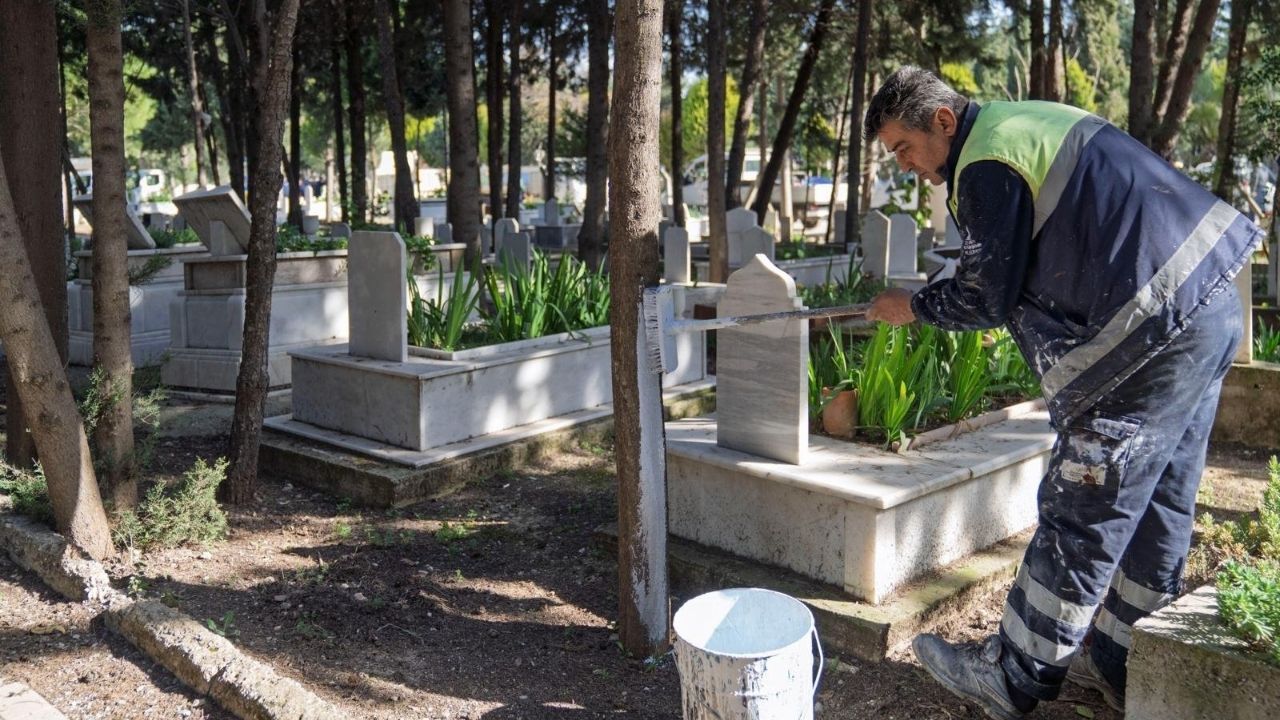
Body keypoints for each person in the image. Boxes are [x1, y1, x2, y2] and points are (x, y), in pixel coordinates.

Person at [863, 66, 1263, 719]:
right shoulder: (1019, 125)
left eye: (904, 148)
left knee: (1086, 500)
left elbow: (984, 294)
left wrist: (911, 306)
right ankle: (1122, 659)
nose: (905, 165)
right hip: (1204, 304)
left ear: (942, 121)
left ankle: (1013, 672)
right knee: (1161, 497)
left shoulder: (985, 161)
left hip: (1148, 330)